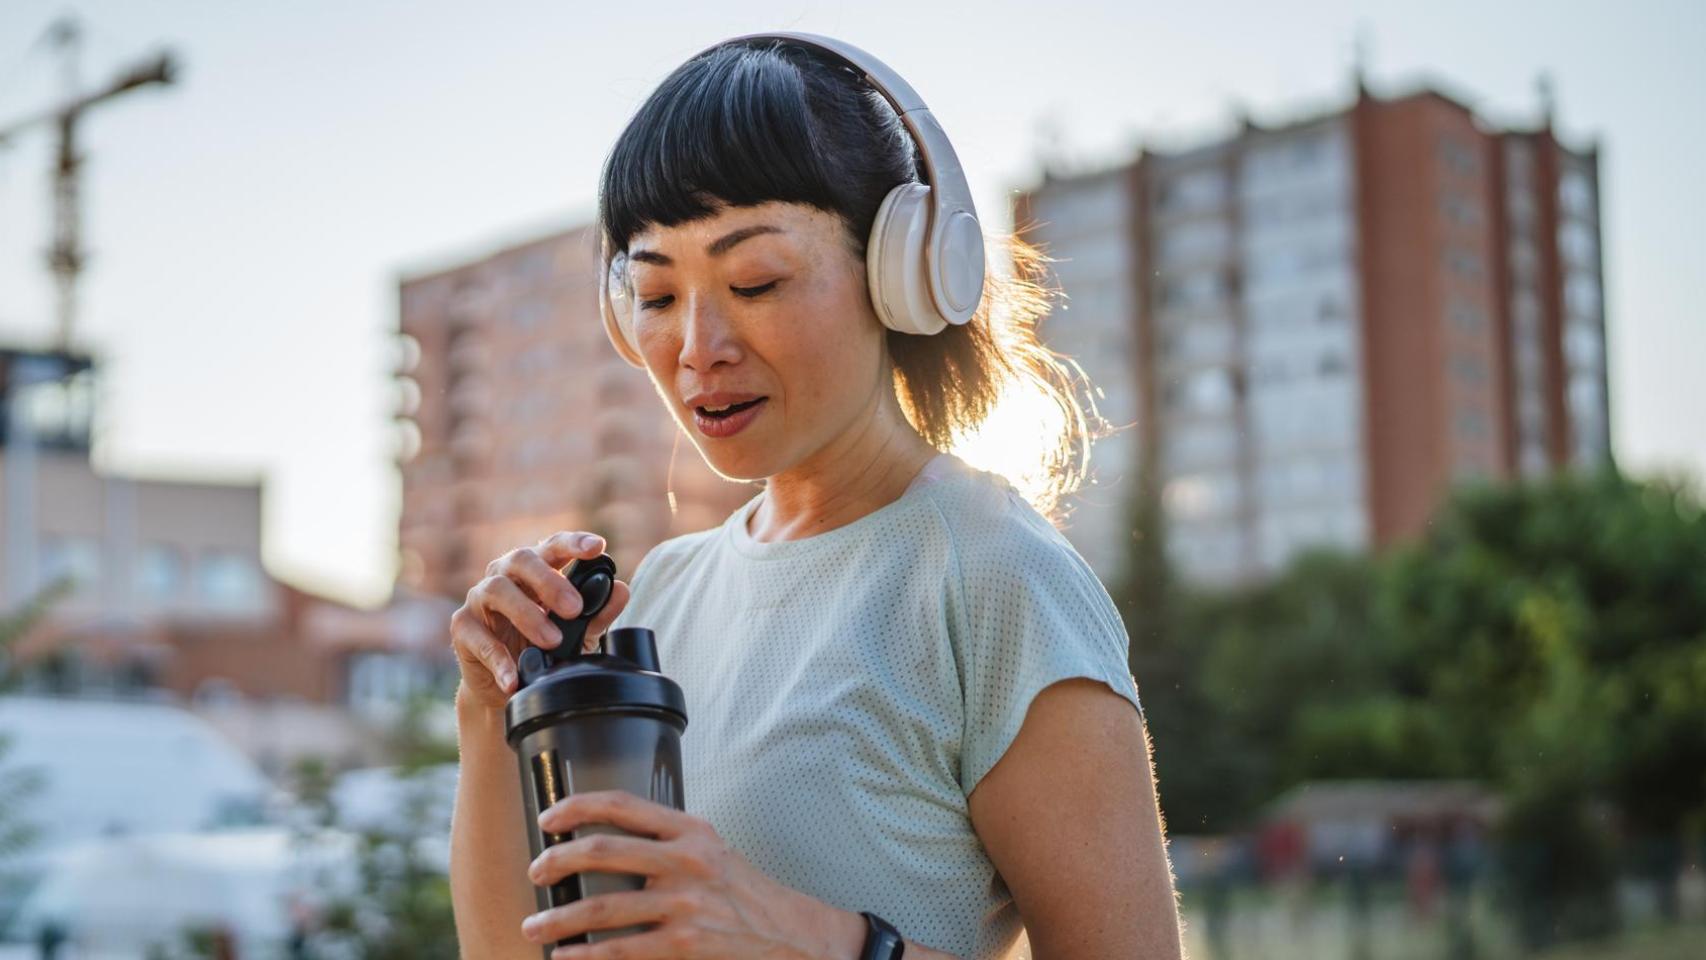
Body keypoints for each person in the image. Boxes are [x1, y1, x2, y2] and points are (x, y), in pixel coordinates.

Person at [447, 33, 1182, 960]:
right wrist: (490, 710)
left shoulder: (997, 580)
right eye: (657, 294)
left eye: (754, 280)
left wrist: (817, 941)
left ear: (901, 271)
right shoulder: (662, 591)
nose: (696, 346)